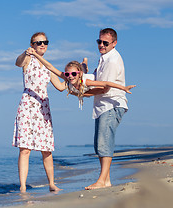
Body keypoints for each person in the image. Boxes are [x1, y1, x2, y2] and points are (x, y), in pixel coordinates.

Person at [13, 32, 65, 193]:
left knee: (46, 149)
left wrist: (75, 77)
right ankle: (22, 186)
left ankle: (51, 183)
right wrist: (25, 52)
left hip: (43, 109)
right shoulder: (28, 59)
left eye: (45, 42)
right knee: (25, 148)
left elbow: (61, 87)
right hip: (27, 107)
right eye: (39, 42)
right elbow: (18, 63)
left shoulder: (48, 66)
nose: (42, 45)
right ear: (32, 44)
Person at [83, 28, 130, 190]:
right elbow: (96, 79)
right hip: (102, 106)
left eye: (105, 43)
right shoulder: (104, 58)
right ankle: (107, 180)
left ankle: (101, 181)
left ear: (114, 43)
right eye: (99, 42)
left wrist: (83, 92)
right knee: (99, 144)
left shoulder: (112, 60)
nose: (101, 45)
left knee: (104, 142)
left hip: (112, 104)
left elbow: (104, 88)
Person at [26, 48, 135, 109]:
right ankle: (83, 64)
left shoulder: (87, 81)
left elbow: (106, 83)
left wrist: (123, 88)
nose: (70, 77)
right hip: (81, 84)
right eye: (68, 74)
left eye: (73, 74)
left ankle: (84, 62)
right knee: (81, 76)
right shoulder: (68, 77)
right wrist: (35, 55)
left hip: (88, 81)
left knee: (89, 76)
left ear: (78, 74)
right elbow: (50, 66)